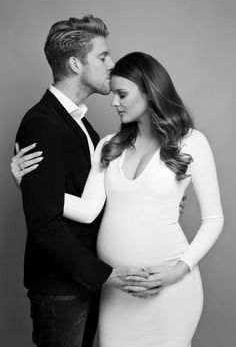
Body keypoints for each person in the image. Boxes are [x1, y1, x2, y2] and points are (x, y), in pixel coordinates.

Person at [11, 51, 223, 346]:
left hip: (170, 289)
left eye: (122, 94)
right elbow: (87, 209)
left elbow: (214, 219)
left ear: (149, 91)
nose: (113, 102)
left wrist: (178, 270)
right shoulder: (109, 145)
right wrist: (31, 187)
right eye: (113, 94)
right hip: (115, 291)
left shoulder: (191, 141)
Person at [12, 17, 156, 347]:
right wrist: (104, 274)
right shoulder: (42, 124)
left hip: (82, 283)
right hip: (61, 288)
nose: (112, 64)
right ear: (76, 64)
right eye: (103, 57)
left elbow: (91, 196)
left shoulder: (81, 124)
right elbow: (44, 224)